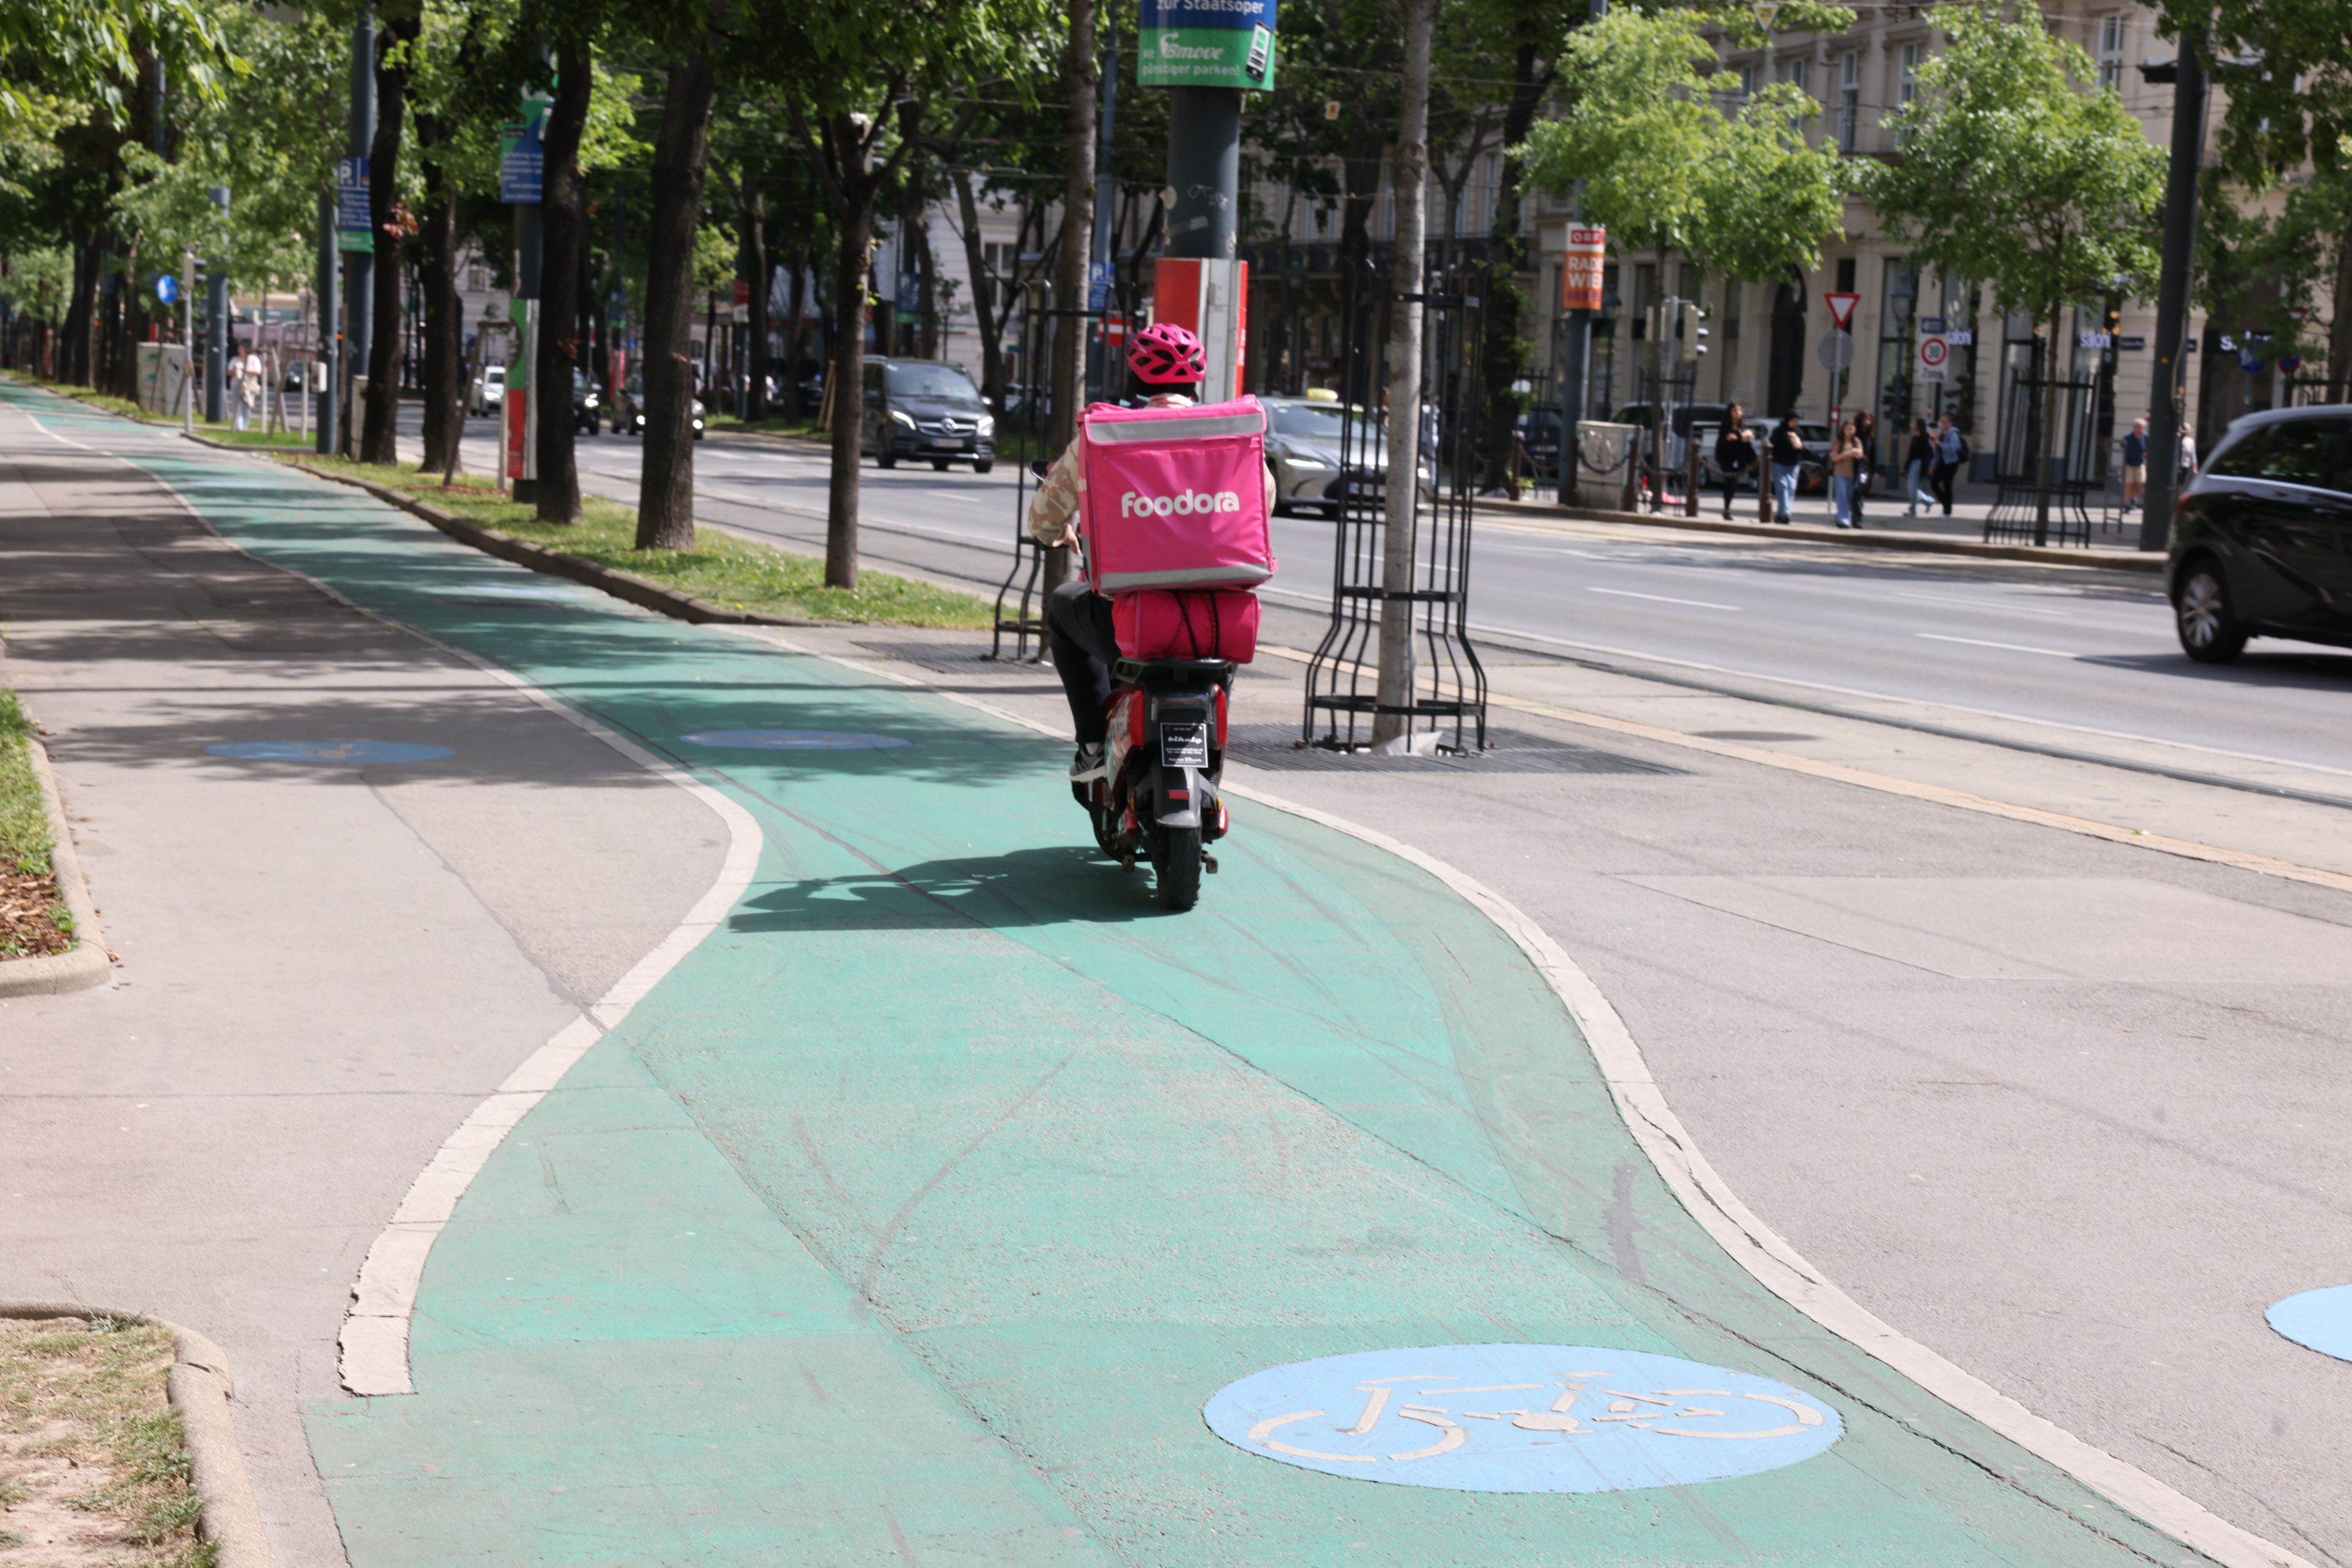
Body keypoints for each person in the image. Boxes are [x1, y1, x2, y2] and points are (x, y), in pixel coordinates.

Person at [1027, 322, 1274, 782]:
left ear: (1136, 379)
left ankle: (1093, 744)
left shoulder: (1102, 435)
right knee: (1220, 666)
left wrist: (1058, 531)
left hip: (1126, 625)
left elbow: (1042, 519)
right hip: (1217, 625)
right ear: (1196, 380)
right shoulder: (1234, 435)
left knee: (1062, 606)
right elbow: (1264, 503)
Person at [1712, 403, 1754, 520]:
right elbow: (1720, 443)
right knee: (1729, 483)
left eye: (1740, 410)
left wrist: (1747, 439)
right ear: (1730, 413)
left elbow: (1746, 446)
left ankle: (1727, 507)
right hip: (1727, 459)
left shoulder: (1743, 427)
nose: (1738, 413)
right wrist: (1727, 439)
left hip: (1738, 459)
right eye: (1735, 411)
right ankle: (1727, 509)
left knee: (1733, 484)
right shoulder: (1725, 427)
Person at [1768, 414, 1805, 524]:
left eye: (1797, 421)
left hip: (1793, 464)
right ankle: (1786, 513)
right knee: (1782, 487)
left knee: (1791, 488)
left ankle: (1781, 515)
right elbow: (1772, 443)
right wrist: (1787, 438)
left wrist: (1798, 442)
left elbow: (1802, 450)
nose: (1795, 423)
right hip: (1779, 463)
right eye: (1793, 420)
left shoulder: (1799, 432)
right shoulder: (1779, 431)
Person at [1829, 420, 1863, 528]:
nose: (1850, 431)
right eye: (1848, 429)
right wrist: (1845, 454)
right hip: (1840, 472)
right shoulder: (1839, 441)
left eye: (1852, 429)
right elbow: (1834, 458)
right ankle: (1843, 520)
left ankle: (1844, 518)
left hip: (1853, 473)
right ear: (1843, 429)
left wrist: (1856, 454)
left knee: (1849, 497)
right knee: (1842, 496)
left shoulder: (1856, 441)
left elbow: (1861, 454)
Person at [1932, 414, 1964, 516]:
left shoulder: (1953, 434)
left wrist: (1940, 444)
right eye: (1942, 422)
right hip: (1942, 462)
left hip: (1951, 463)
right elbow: (1937, 453)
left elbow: (1953, 449)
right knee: (1934, 484)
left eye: (1946, 422)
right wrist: (1932, 466)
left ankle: (1947, 511)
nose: (1944, 424)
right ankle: (1947, 505)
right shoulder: (1939, 434)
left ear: (1950, 423)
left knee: (1947, 486)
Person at [1903, 416, 1936, 517]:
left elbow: (1927, 455)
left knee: (1913, 488)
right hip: (1913, 464)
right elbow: (1910, 454)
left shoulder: (1925, 439)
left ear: (1919, 426)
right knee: (1911, 488)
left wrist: (1925, 469)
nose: (1912, 425)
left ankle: (1913, 509)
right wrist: (1907, 466)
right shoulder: (1915, 438)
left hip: (1919, 464)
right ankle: (1928, 500)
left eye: (1914, 424)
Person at [1851, 412, 1877, 526]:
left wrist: (1875, 471)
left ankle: (1857, 516)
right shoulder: (1855, 434)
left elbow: (1873, 454)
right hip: (1853, 466)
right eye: (1865, 420)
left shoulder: (1870, 436)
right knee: (1855, 491)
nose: (1867, 422)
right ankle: (1856, 515)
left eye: (1869, 420)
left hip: (1864, 468)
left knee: (1859, 490)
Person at [233, 343, 264, 432]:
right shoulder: (237, 359)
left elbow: (258, 372)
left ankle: (244, 427)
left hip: (250, 385)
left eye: (240, 348)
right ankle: (239, 427)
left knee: (247, 406)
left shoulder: (253, 359)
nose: (239, 350)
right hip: (237, 383)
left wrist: (244, 370)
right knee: (237, 406)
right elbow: (230, 371)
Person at [2121, 415, 2148, 511]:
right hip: (2129, 463)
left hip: (2140, 463)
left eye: (2142, 427)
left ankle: (2133, 498)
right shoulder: (2128, 437)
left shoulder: (2146, 437)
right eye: (2139, 427)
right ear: (2135, 427)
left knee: (2142, 482)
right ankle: (2127, 503)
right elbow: (2122, 445)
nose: (2141, 429)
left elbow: (2149, 448)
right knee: (2129, 483)